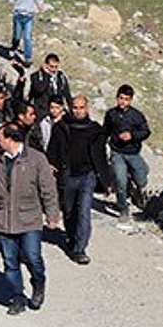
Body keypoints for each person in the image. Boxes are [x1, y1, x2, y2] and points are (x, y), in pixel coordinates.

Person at [0, 125, 61, 315]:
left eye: (0, 137)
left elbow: (48, 189)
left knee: (32, 256)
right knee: (10, 262)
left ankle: (38, 283)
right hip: (4, 219)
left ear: (10, 139)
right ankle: (17, 297)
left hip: (29, 218)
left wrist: (52, 214)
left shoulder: (36, 159)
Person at [47, 95, 112, 265]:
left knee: (84, 211)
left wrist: (107, 181)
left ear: (87, 108)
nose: (78, 111)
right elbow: (52, 150)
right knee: (69, 211)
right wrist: (50, 166)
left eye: (81, 108)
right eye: (75, 108)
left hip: (87, 176)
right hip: (68, 175)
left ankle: (80, 249)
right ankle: (71, 236)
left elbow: (101, 157)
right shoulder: (61, 127)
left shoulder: (95, 130)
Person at [103, 84, 151, 222]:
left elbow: (146, 132)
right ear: (117, 98)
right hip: (117, 152)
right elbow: (105, 132)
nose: (123, 102)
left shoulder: (137, 116)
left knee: (141, 180)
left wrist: (132, 135)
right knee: (120, 181)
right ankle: (123, 208)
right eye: (121, 98)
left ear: (131, 100)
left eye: (126, 99)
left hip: (133, 153)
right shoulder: (111, 114)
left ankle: (138, 175)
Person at [5, 0, 45, 67]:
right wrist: (12, 1)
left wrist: (40, 5)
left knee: (27, 37)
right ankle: (14, 48)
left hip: (29, 16)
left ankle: (28, 58)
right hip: (18, 14)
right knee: (17, 36)